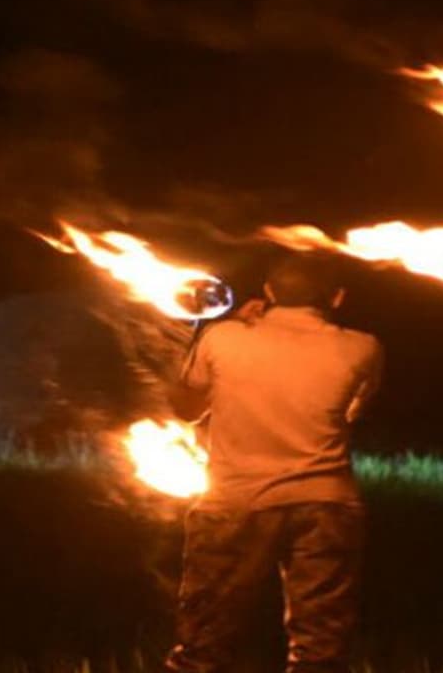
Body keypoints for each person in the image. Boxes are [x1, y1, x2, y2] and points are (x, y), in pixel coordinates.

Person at [164, 254, 384, 673]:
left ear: (267, 293)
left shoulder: (222, 337)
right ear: (337, 297)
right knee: (320, 649)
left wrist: (216, 336)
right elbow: (354, 414)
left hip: (234, 501)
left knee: (202, 643)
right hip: (326, 502)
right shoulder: (364, 347)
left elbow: (186, 408)